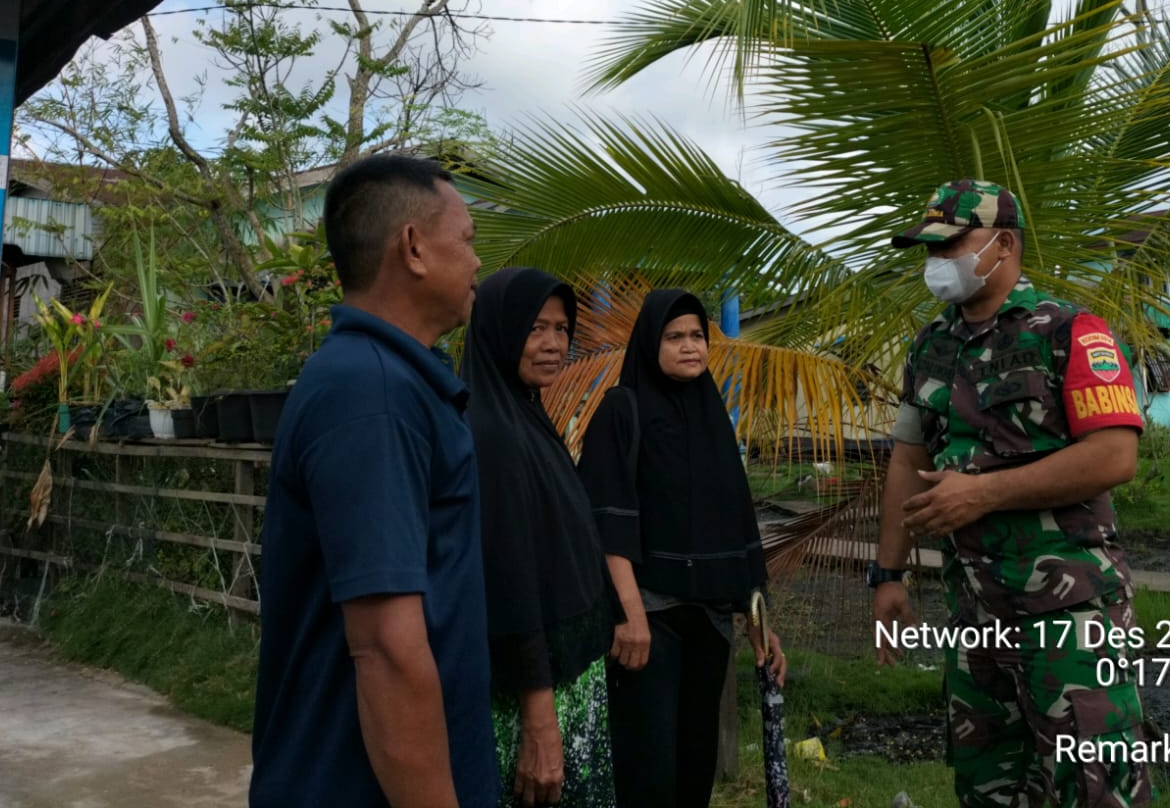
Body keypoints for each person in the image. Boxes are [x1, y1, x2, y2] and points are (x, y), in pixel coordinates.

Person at [869, 180, 1151, 808]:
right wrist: (888, 574)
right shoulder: (928, 347)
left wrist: (985, 494)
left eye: (951, 247)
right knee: (987, 783)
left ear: (1004, 244)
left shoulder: (1070, 332)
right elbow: (908, 461)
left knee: (1093, 784)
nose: (938, 264)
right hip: (973, 613)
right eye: (929, 251)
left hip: (1069, 613)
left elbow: (1115, 453)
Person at [251, 155, 496, 808]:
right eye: (467, 240)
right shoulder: (373, 394)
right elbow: (386, 649)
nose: (477, 262)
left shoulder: (390, 381)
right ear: (413, 248)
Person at [577, 288, 787, 808]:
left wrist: (761, 625)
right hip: (649, 622)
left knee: (695, 770)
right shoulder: (620, 412)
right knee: (648, 774)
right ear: (651, 343)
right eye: (675, 337)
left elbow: (736, 523)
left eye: (698, 335)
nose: (690, 346)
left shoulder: (712, 415)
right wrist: (630, 615)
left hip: (710, 621)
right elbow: (606, 520)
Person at [463, 267, 621, 807]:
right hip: (535, 695)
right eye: (536, 329)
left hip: (565, 681)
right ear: (500, 331)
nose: (554, 345)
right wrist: (539, 716)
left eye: (561, 329)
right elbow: (510, 579)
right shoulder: (492, 433)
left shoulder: (527, 415)